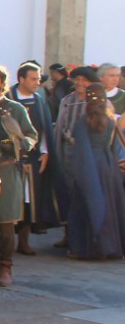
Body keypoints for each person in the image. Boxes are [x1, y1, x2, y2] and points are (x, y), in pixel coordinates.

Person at [0, 65, 37, 287]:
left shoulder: (15, 109)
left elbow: (31, 136)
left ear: (3, 83)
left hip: (6, 169)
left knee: (6, 222)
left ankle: (5, 266)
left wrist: (18, 144)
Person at [62, 83, 125, 260]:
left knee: (85, 205)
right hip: (107, 166)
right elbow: (112, 147)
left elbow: (82, 149)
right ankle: (110, 247)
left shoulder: (83, 122)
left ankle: (87, 248)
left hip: (89, 165)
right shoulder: (110, 120)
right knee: (108, 205)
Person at [11, 62, 59, 248]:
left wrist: (45, 151)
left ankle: (24, 241)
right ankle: (4, 241)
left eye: (38, 79)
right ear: (21, 79)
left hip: (34, 157)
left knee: (29, 200)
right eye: (33, 79)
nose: (37, 82)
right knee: (9, 199)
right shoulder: (8, 98)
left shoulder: (39, 99)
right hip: (11, 157)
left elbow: (45, 127)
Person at [54, 65, 98, 248]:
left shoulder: (95, 102)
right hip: (67, 152)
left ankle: (84, 237)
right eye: (77, 79)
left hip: (88, 154)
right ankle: (68, 234)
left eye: (84, 80)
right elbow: (59, 126)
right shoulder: (67, 101)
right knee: (67, 192)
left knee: (84, 193)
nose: (80, 83)